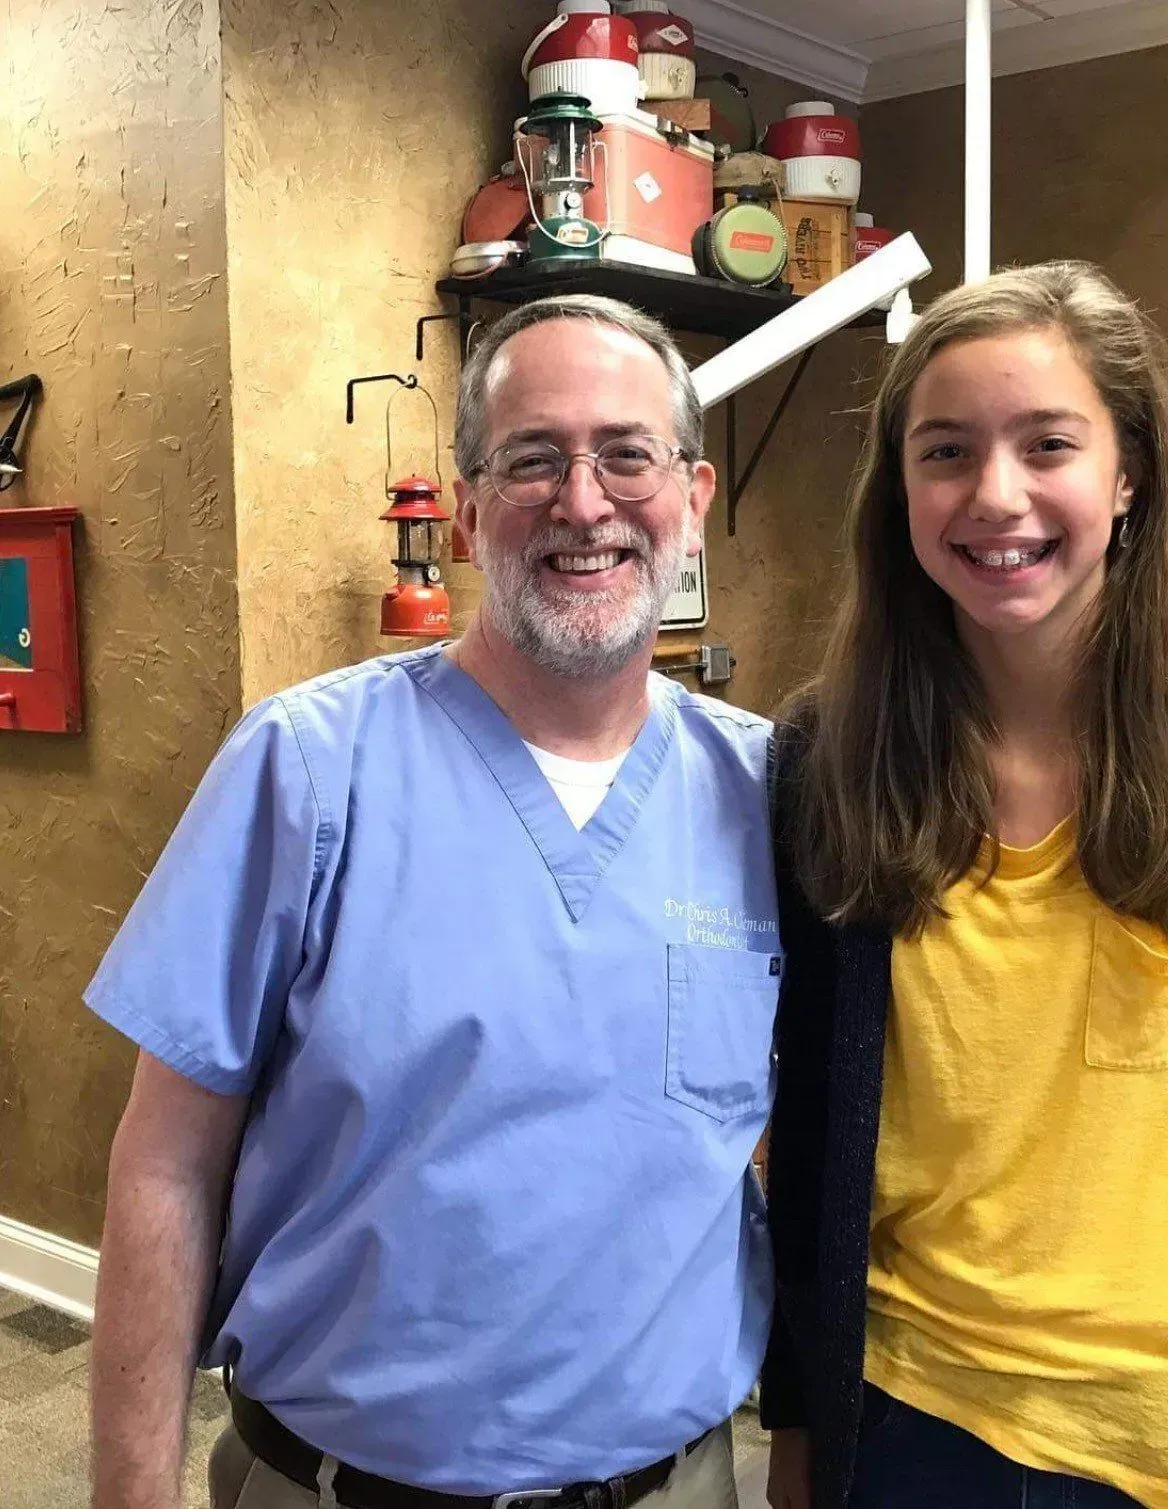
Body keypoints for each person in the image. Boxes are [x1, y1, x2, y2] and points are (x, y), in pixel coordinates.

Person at [86, 295, 783, 1509]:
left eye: (627, 453)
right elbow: (165, 1165)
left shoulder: (769, 792)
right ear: (464, 514)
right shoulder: (305, 770)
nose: (582, 502)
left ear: (693, 498)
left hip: (678, 1486)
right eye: (530, 459)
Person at [760, 262, 1168, 1509]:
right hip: (905, 1425)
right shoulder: (829, 763)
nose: (993, 495)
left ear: (1128, 474)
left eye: (1047, 444)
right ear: (898, 490)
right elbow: (808, 1139)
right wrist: (799, 1429)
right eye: (945, 451)